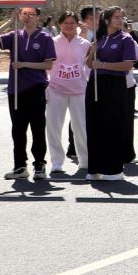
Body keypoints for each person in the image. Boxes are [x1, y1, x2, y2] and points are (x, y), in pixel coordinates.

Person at [0, 7, 55, 179]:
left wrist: (24, 64)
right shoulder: (14, 35)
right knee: (18, 130)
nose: (27, 17)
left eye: (31, 14)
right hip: (15, 89)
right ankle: (20, 167)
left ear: (38, 17)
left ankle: (40, 165)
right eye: (24, 14)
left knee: (37, 128)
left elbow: (48, 65)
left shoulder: (45, 38)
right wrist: (9, 21)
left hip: (36, 87)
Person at [85, 8, 138, 181]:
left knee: (113, 126)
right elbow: (89, 64)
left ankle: (113, 169)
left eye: (121, 17)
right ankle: (95, 168)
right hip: (95, 84)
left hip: (115, 85)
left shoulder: (126, 39)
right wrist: (92, 52)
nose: (120, 20)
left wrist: (103, 65)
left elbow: (127, 65)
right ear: (107, 20)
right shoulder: (98, 38)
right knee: (94, 125)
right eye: (116, 17)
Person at [44, 12, 90, 176]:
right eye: (65, 23)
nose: (69, 26)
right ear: (59, 24)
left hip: (79, 90)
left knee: (81, 126)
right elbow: (46, 65)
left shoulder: (85, 44)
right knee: (54, 127)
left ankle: (84, 160)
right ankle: (56, 162)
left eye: (72, 23)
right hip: (56, 89)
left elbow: (88, 66)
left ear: (77, 24)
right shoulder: (52, 42)